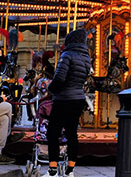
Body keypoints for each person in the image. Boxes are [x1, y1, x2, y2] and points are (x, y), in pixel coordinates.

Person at [43, 29, 91, 177]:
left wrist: (50, 89)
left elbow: (59, 78)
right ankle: (70, 170)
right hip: (78, 98)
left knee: (53, 133)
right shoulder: (86, 57)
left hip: (63, 99)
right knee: (71, 134)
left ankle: (52, 170)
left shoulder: (67, 55)